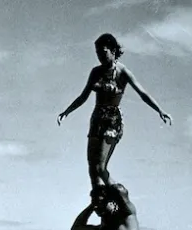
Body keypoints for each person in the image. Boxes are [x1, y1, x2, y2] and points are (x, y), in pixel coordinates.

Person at [58, 33, 172, 189]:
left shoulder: (122, 71)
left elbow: (142, 93)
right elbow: (83, 97)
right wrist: (66, 112)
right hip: (97, 119)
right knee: (92, 170)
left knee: (100, 167)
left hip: (112, 121)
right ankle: (101, 204)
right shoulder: (95, 72)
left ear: (112, 50)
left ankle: (120, 196)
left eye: (103, 52)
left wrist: (160, 110)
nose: (100, 56)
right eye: (97, 53)